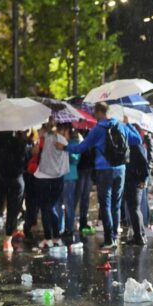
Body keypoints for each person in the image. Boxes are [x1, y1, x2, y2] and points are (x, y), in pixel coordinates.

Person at [66, 102, 141, 247]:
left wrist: (64, 148)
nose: (94, 115)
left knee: (105, 204)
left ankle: (109, 239)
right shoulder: (120, 126)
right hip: (120, 169)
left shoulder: (97, 129)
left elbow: (81, 148)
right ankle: (114, 235)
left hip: (104, 169)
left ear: (100, 112)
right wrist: (129, 124)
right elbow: (137, 139)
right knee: (116, 204)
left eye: (95, 112)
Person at [0, 131, 29, 252]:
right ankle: (7, 242)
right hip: (16, 179)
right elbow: (25, 160)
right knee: (13, 209)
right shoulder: (20, 141)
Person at [33, 120, 70, 249]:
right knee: (52, 207)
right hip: (58, 178)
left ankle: (48, 238)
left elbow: (35, 154)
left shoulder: (44, 139)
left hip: (43, 177)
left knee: (45, 208)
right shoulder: (63, 141)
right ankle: (57, 237)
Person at [123, 125, 151, 245]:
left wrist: (144, 178)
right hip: (133, 179)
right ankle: (140, 234)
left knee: (134, 208)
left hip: (134, 180)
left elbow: (144, 164)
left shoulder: (136, 147)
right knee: (134, 208)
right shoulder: (137, 146)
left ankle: (139, 236)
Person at [59, 129, 82, 240]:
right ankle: (61, 227)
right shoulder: (59, 142)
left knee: (69, 204)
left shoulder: (74, 143)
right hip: (60, 175)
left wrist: (66, 148)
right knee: (60, 204)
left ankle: (69, 228)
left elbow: (75, 160)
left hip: (70, 177)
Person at [75, 145, 96, 232]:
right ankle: (74, 222)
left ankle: (83, 221)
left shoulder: (90, 135)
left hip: (87, 168)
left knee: (84, 197)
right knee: (78, 197)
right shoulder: (82, 137)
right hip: (82, 168)